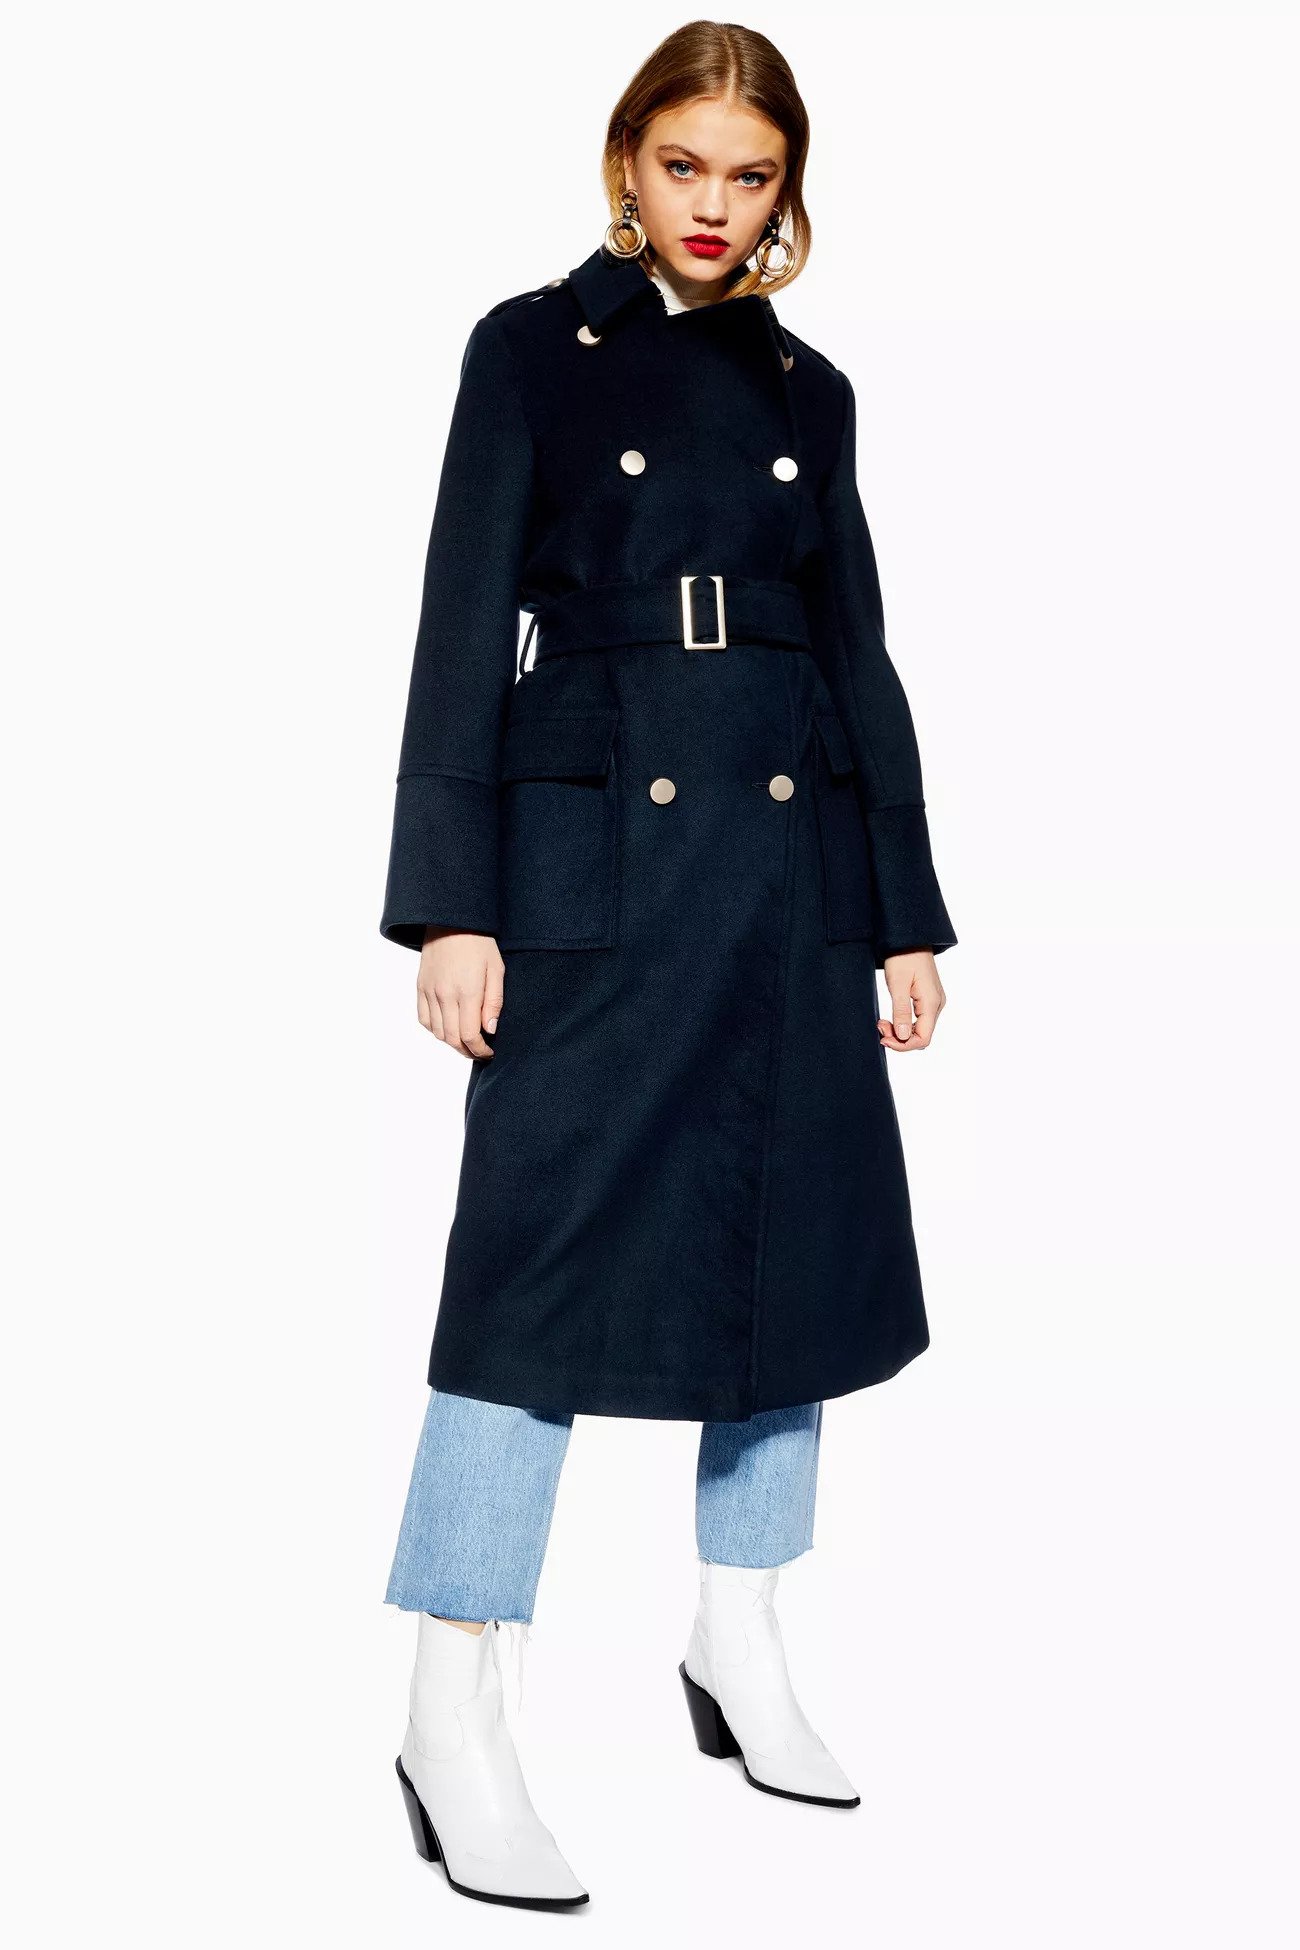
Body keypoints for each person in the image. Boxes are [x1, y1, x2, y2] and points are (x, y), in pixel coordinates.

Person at [379, 21, 955, 1911]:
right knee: (524, 1280)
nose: (715, 205)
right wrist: (452, 902)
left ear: (789, 188)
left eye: (751, 174)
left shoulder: (811, 387)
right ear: (627, 161)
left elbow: (857, 652)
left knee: (792, 1248)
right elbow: (460, 625)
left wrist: (902, 906)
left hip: (784, 865)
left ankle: (740, 1631)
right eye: (684, 164)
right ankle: (453, 1700)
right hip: (590, 863)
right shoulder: (529, 349)